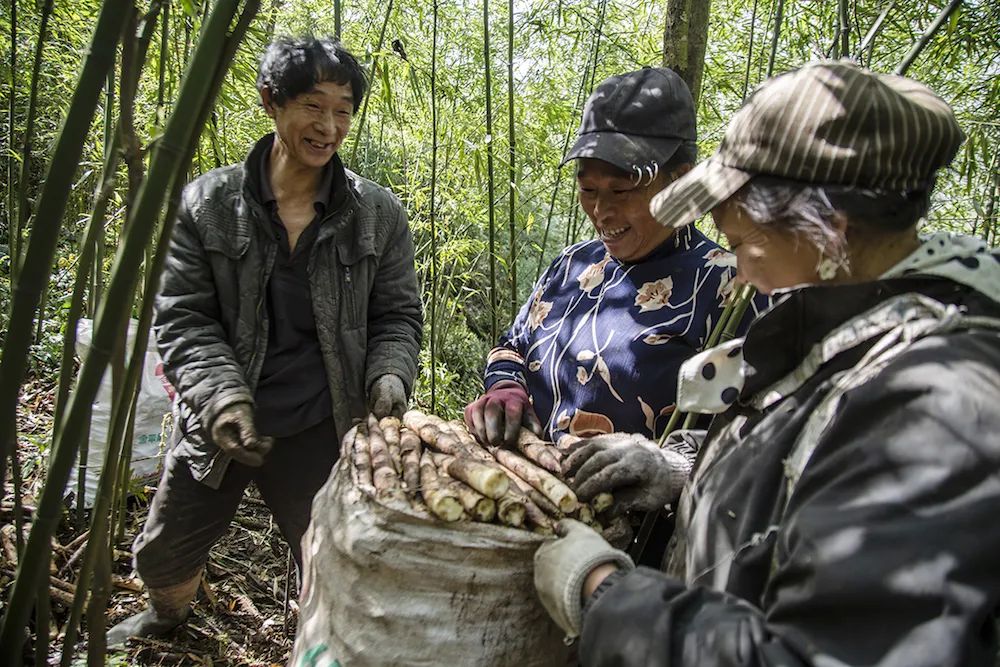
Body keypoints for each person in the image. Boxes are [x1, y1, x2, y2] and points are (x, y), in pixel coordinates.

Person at [533, 60, 1000, 665]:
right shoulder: (841, 325)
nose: (743, 273)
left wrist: (604, 594)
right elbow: (793, 458)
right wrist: (677, 467)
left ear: (828, 229)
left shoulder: (935, 403)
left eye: (744, 246)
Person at [107, 37, 422, 644]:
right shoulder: (208, 203)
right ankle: (166, 615)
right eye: (313, 105)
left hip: (322, 421)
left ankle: (325, 647)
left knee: (331, 558)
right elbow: (183, 318)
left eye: (343, 110)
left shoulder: (376, 213)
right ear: (270, 102)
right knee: (165, 550)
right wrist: (221, 398)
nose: (328, 127)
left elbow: (398, 315)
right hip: (224, 418)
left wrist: (389, 373)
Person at [464, 67, 765, 462]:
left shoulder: (731, 289)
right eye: (588, 189)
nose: (601, 211)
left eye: (621, 191)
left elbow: (753, 439)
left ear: (682, 182)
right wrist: (505, 387)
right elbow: (511, 347)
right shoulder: (571, 266)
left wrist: (669, 466)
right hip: (520, 488)